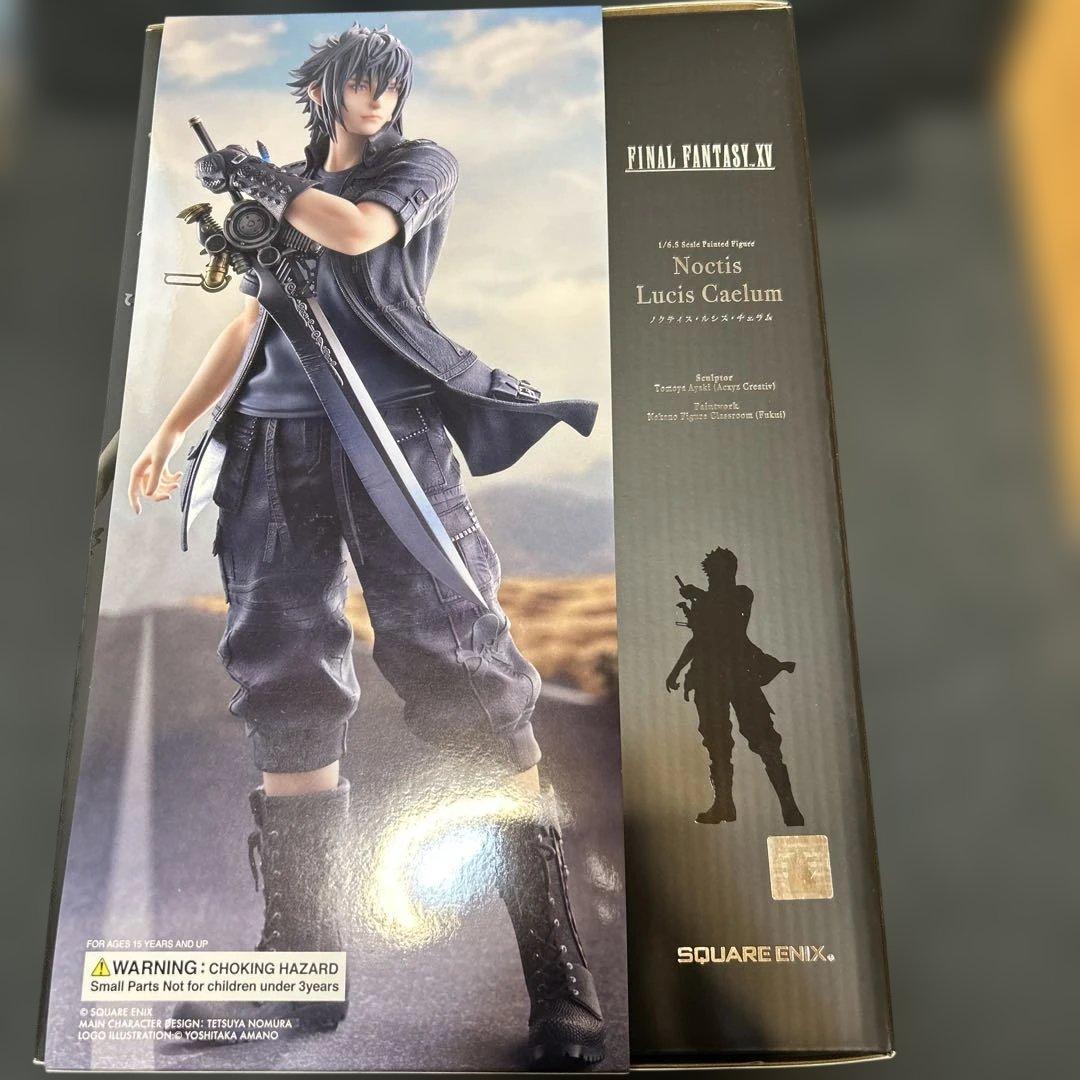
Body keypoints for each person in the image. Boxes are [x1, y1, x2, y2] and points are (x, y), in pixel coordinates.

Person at [128, 24, 605, 1066]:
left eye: (391, 83)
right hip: (271, 450)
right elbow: (252, 322)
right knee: (283, 679)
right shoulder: (283, 189)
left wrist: (260, 181)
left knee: (464, 665)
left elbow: (352, 235)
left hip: (390, 438)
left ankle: (558, 981)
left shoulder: (416, 168)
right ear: (325, 89)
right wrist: (170, 430)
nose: (379, 99)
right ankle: (299, 980)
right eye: (361, 83)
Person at [666, 547, 803, 826]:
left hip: (741, 676)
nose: (712, 579)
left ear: (730, 571)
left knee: (764, 740)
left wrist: (700, 596)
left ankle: (788, 806)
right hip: (708, 680)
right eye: (710, 574)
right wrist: (677, 670)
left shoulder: (741, 595)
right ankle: (724, 804)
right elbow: (698, 640)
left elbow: (731, 619)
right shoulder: (705, 602)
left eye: (717, 572)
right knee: (716, 743)